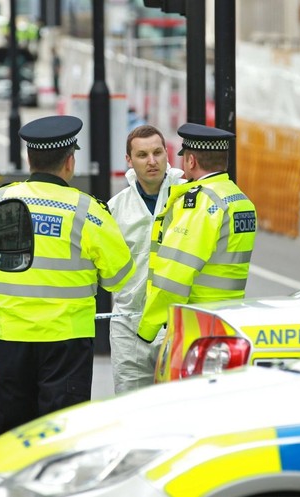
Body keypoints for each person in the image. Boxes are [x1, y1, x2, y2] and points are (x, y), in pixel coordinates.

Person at [0, 115, 135, 434]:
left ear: (28, 158)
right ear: (70, 161)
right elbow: (120, 277)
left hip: (12, 337)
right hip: (68, 342)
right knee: (62, 434)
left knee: (13, 430)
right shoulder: (87, 210)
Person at [136, 123, 257, 344]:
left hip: (198, 323)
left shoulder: (201, 203)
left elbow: (176, 273)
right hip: (230, 318)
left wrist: (148, 328)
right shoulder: (240, 199)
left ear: (191, 161)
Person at [108, 125, 184, 394]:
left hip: (177, 322)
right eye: (142, 155)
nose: (152, 161)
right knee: (130, 409)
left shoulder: (190, 197)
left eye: (157, 152)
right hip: (129, 325)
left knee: (178, 406)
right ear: (129, 160)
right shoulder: (116, 207)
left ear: (167, 154)